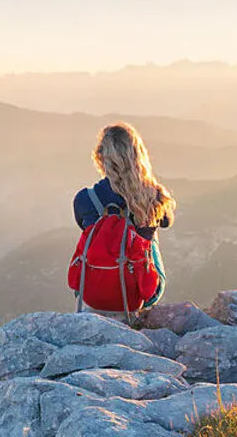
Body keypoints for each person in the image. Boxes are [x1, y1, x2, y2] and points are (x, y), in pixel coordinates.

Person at [72, 122, 175, 308]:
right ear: (139, 156)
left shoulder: (85, 199)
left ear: (100, 158)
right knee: (148, 235)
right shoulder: (154, 195)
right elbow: (167, 221)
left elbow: (82, 225)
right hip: (141, 294)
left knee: (97, 236)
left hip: (93, 293)